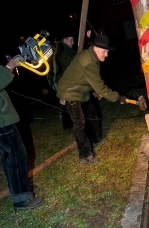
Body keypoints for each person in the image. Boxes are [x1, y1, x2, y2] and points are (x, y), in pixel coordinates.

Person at [57, 34, 127, 164]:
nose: (106, 54)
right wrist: (118, 97)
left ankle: (96, 138)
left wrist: (94, 91)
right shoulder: (88, 62)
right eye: (105, 51)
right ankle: (85, 155)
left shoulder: (92, 57)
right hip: (69, 92)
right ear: (96, 48)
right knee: (80, 123)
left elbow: (90, 80)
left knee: (92, 112)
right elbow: (100, 87)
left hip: (81, 89)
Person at [0, 58, 44, 210]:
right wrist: (10, 66)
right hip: (1, 120)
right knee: (16, 156)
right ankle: (22, 198)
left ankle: (18, 191)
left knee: (8, 156)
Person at [47, 30, 76, 130]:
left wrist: (52, 82)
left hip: (60, 85)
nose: (73, 42)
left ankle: (68, 125)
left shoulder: (56, 51)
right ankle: (70, 124)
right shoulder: (66, 52)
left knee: (65, 105)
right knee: (70, 105)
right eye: (71, 40)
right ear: (64, 40)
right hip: (65, 85)